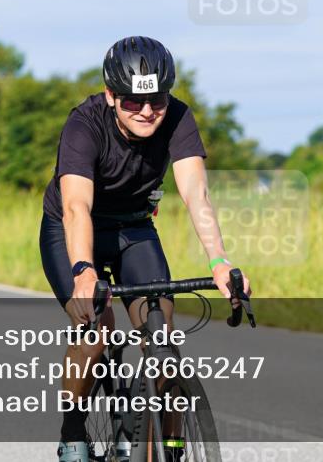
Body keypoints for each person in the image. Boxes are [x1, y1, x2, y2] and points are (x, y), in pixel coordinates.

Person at [40, 36, 251, 462]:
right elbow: (77, 206)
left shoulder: (178, 118)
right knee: (95, 330)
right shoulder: (84, 124)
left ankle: (169, 447)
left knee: (162, 337)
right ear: (111, 96)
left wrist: (219, 262)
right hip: (72, 230)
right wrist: (83, 271)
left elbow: (196, 195)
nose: (147, 111)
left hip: (134, 229)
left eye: (157, 100)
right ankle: (73, 433)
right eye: (133, 102)